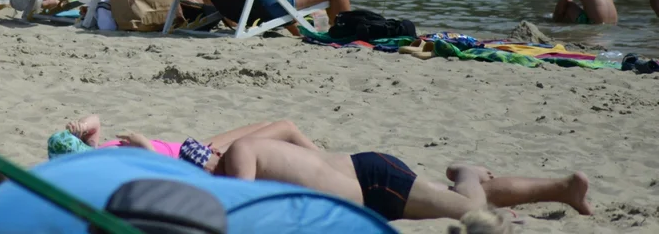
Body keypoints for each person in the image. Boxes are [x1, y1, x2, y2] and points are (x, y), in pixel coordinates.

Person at [210, 137, 592, 223]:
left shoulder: (240, 153)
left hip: (375, 182)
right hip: (371, 189)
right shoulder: (243, 159)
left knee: (469, 206)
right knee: (456, 200)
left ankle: (468, 172)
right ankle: (562, 189)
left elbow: (241, 204)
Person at [48, 114, 320, 162]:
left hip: (193, 147)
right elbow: (162, 177)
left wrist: (80, 126)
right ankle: (330, 166)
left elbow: (95, 121)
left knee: (265, 125)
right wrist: (145, 146)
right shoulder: (111, 164)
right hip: (197, 161)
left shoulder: (98, 153)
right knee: (285, 129)